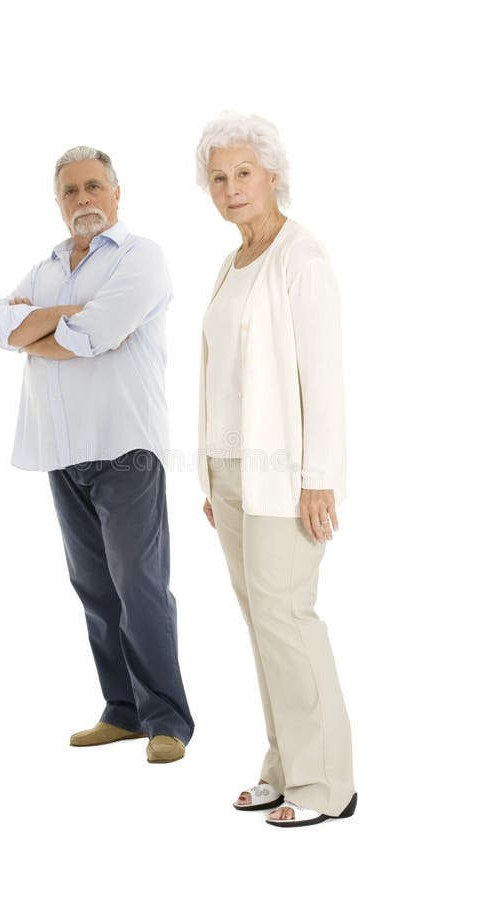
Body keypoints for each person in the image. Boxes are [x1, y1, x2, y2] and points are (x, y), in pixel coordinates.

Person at [0, 145, 194, 764]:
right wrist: (62, 320)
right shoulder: (47, 265)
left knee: (140, 584)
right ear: (59, 202)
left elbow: (95, 336)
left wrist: (40, 332)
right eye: (71, 191)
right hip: (60, 448)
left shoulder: (141, 257)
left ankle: (167, 720)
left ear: (116, 192)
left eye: (94, 186)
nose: (83, 200)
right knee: (95, 587)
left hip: (124, 446)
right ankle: (123, 711)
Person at [195, 112, 357, 826]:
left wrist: (318, 476)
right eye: (218, 177)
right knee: (261, 624)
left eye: (242, 174)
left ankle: (326, 786)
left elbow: (321, 379)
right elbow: (218, 372)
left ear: (271, 175)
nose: (230, 188)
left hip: (285, 477)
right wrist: (209, 475)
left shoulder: (302, 256)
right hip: (231, 472)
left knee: (287, 619)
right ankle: (285, 767)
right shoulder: (230, 262)